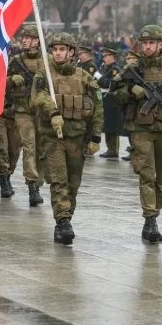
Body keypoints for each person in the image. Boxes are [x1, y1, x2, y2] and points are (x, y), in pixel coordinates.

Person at [108, 24, 162, 244]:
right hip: (140, 129)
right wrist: (130, 91)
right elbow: (113, 94)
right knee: (147, 175)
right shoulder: (131, 70)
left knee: (161, 178)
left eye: (152, 43)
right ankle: (150, 219)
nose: (147, 47)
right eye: (144, 43)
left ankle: (155, 214)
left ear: (161, 44)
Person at [31, 33, 103, 245]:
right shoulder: (43, 74)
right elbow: (38, 97)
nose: (58, 53)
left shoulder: (84, 77)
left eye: (62, 49)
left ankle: (66, 217)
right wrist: (53, 112)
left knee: (73, 182)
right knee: (59, 179)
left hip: (76, 138)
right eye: (55, 49)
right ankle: (62, 222)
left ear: (71, 52)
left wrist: (96, 137)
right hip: (52, 138)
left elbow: (98, 107)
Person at [6, 24, 46, 206]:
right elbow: (1, 83)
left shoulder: (47, 61)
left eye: (29, 38)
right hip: (22, 110)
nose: (24, 40)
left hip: (42, 111)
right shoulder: (15, 60)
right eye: (24, 37)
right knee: (29, 146)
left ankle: (38, 182)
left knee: (41, 149)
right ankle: (32, 186)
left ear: (37, 41)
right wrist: (11, 80)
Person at [97, 47, 123, 159]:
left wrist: (101, 80)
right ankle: (109, 148)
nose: (104, 58)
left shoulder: (114, 69)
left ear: (112, 57)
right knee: (107, 125)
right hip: (106, 100)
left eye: (106, 56)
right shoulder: (105, 68)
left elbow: (110, 84)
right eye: (104, 56)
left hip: (112, 101)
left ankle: (113, 149)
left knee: (112, 125)